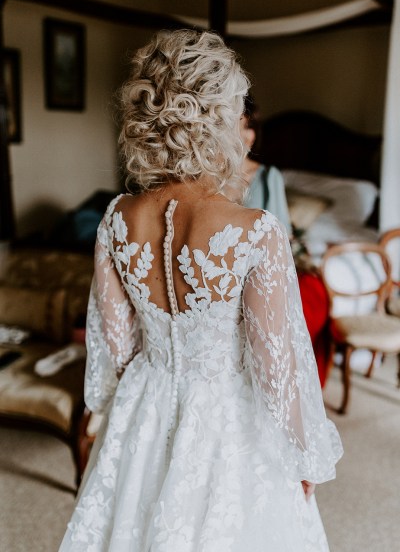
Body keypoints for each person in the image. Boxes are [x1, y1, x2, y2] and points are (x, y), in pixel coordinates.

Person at [59, 30, 342, 551]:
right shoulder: (255, 230)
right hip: (227, 420)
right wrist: (304, 458)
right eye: (237, 111)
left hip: (146, 401)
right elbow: (275, 369)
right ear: (219, 119)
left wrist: (127, 414)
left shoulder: (116, 218)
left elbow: (116, 347)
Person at [240, 98, 293, 235]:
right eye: (240, 126)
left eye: (249, 126)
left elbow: (281, 233)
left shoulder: (269, 177)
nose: (247, 135)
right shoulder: (208, 177)